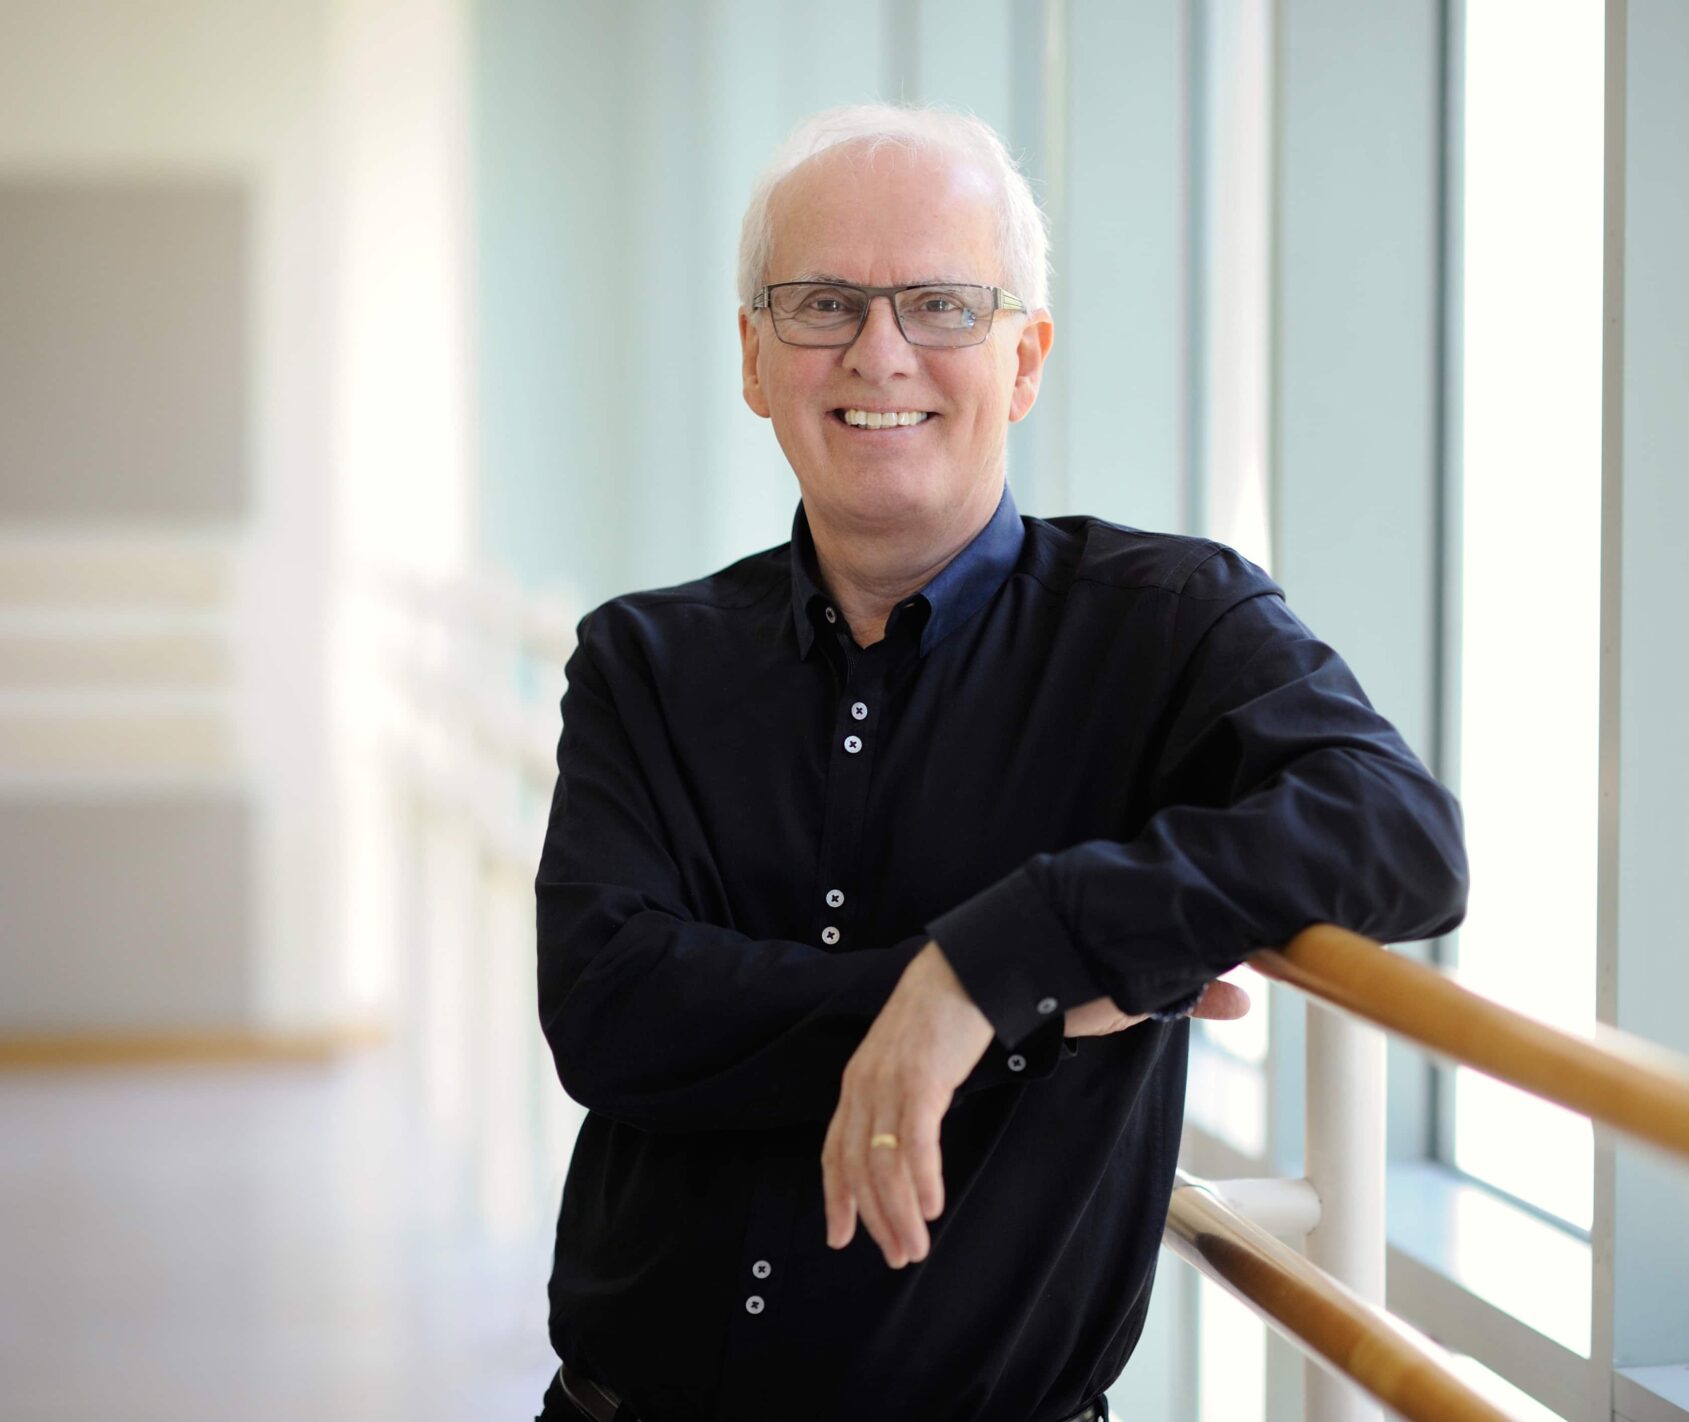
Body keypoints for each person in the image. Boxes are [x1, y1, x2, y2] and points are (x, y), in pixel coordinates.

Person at [530, 102, 1468, 1421]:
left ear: (1025, 360)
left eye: (941, 306)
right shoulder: (644, 661)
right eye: (820, 303)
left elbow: (1401, 836)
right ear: (753, 357)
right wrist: (974, 1005)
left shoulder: (1169, 623)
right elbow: (610, 1009)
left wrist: (1013, 947)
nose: (880, 350)